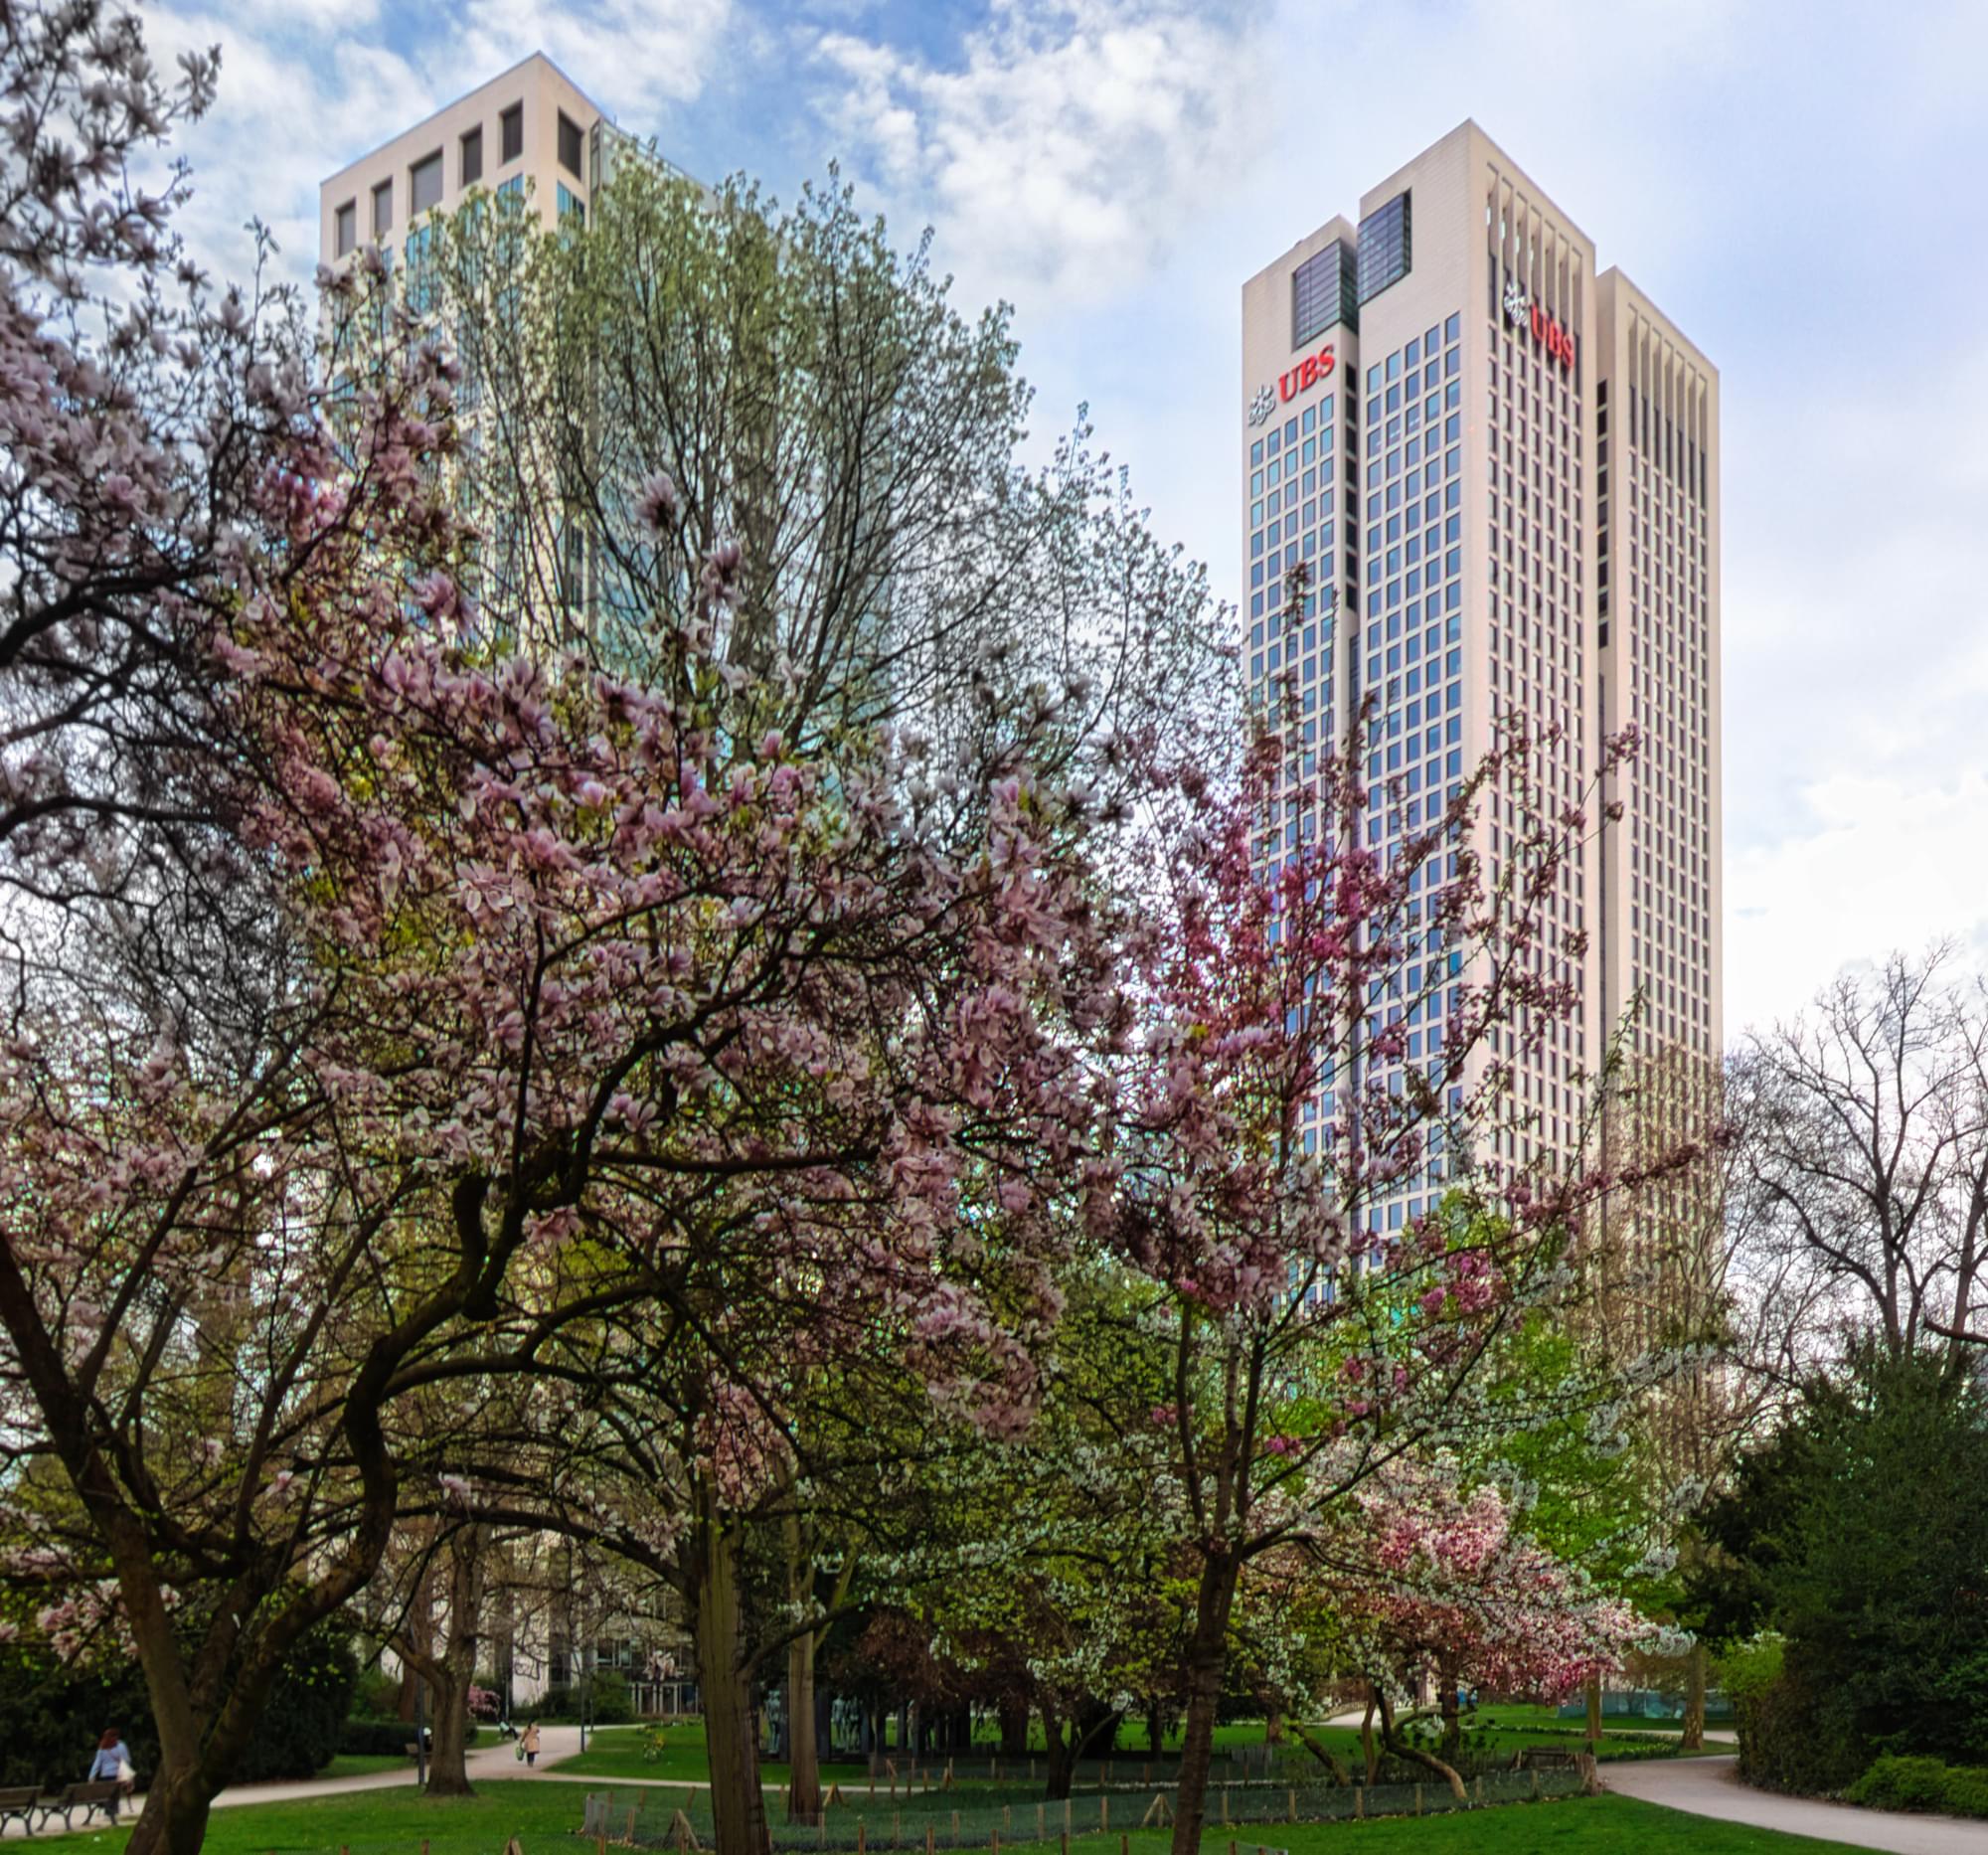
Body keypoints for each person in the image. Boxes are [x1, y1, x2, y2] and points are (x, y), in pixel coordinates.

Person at [88, 1729, 133, 1816]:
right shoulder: (121, 1746)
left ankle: (108, 1811)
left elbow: (97, 1763)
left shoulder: (102, 1748)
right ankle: (114, 1811)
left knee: (108, 1794)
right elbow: (127, 1760)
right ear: (115, 1736)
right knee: (115, 1794)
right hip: (117, 1774)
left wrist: (92, 1775)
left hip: (105, 1775)